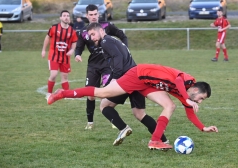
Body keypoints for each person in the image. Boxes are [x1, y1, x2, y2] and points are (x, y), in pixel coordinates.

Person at [47, 63, 219, 150]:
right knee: (103, 93)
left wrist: (203, 128)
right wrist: (188, 100)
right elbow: (178, 80)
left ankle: (155, 141)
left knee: (169, 106)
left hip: (149, 84)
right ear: (195, 90)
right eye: (200, 98)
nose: (199, 102)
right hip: (139, 75)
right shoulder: (188, 81)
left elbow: (190, 112)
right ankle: (62, 93)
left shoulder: (188, 95)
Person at [84, 22, 168, 145]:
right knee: (139, 114)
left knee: (104, 105)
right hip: (136, 77)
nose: (92, 38)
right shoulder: (113, 40)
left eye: (93, 34)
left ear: (101, 31)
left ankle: (123, 128)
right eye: (90, 35)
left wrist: (115, 79)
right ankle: (164, 140)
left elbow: (117, 58)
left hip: (126, 79)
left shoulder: (106, 41)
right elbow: (121, 60)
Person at [75, 4, 128, 130]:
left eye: (95, 14)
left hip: (107, 65)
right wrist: (77, 54)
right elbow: (79, 46)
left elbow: (122, 35)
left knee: (107, 91)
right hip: (93, 66)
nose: (93, 17)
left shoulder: (106, 26)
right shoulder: (84, 32)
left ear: (98, 14)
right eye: (91, 15)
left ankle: (113, 119)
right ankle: (90, 122)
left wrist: (124, 47)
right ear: (87, 16)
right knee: (90, 94)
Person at [41, 10, 78, 97]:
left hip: (65, 57)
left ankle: (67, 94)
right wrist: (43, 50)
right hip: (54, 56)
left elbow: (74, 42)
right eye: (64, 15)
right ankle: (49, 94)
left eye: (68, 16)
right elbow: (47, 38)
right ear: (60, 17)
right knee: (53, 75)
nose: (66, 17)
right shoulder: (54, 28)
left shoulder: (72, 31)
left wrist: (72, 50)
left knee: (64, 76)